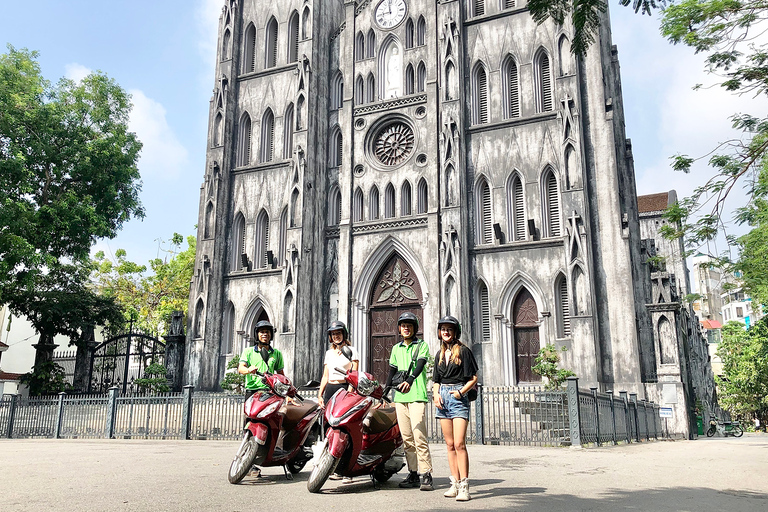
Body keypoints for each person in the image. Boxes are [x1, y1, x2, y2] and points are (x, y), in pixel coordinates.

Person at [431, 315, 478, 501]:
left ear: (455, 332)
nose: (446, 332)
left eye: (449, 329)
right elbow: (436, 380)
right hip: (442, 397)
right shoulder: (439, 355)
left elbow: (473, 377)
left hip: (457, 397)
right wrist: (435, 395)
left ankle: (465, 486)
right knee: (449, 445)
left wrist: (461, 392)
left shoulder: (464, 351)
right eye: (443, 329)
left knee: (459, 443)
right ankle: (455, 483)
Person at [385, 312, 433, 491]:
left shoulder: (421, 345)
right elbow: (391, 371)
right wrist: (385, 391)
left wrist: (410, 380)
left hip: (417, 395)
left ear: (414, 328)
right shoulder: (396, 348)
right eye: (403, 325)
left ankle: (426, 473)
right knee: (407, 438)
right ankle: (413, 473)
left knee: (419, 436)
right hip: (400, 398)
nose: (406, 328)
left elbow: (420, 365)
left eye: (409, 325)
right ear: (399, 328)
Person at [237, 319, 285, 477]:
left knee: (270, 423)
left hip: (270, 392)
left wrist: (286, 391)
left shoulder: (276, 353)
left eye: (267, 332)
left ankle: (267, 455)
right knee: (250, 426)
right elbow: (240, 368)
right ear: (257, 334)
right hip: (253, 391)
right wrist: (248, 370)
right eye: (262, 332)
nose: (265, 334)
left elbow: (280, 374)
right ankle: (248, 461)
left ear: (271, 335)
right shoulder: (249, 352)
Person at [318, 320, 360, 483]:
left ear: (344, 335)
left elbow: (354, 375)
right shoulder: (329, 354)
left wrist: (349, 394)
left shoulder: (351, 351)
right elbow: (325, 376)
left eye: (339, 333)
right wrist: (320, 395)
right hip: (330, 390)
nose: (336, 336)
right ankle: (329, 466)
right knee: (329, 428)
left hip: (343, 389)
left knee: (344, 430)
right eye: (333, 334)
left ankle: (345, 469)